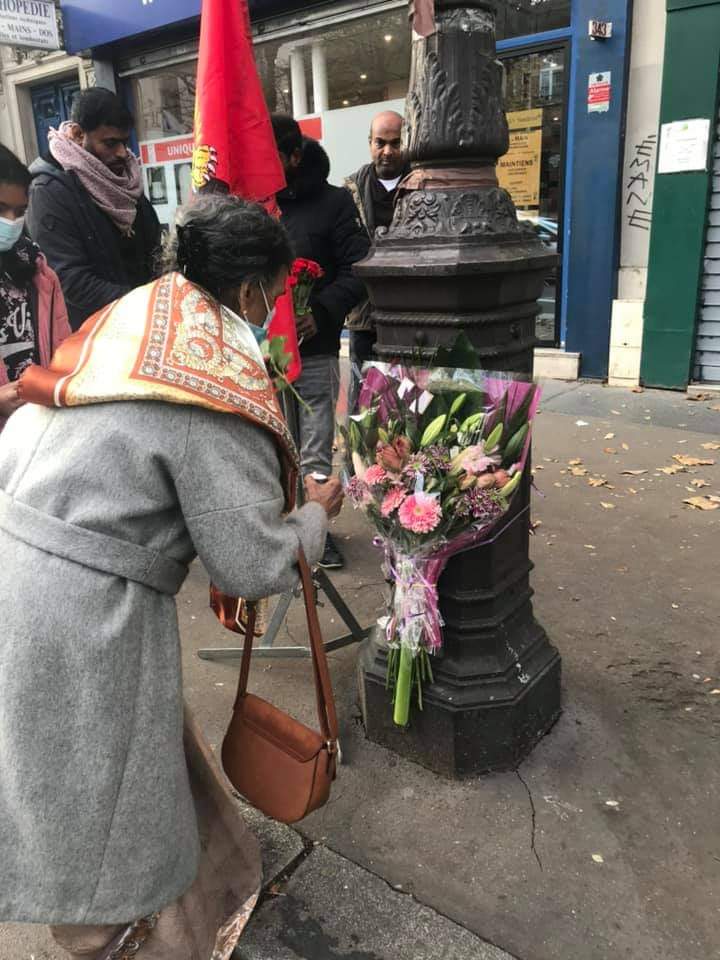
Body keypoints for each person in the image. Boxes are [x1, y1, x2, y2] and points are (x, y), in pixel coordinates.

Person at [0, 195, 343, 960]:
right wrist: (314, 516)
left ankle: (199, 889)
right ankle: (123, 937)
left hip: (17, 558)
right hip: (79, 611)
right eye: (276, 295)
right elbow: (252, 562)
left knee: (99, 762)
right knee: (98, 809)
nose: (277, 313)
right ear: (251, 292)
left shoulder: (135, 319)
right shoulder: (209, 381)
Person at [271, 114, 370, 570]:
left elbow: (360, 269)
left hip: (314, 349)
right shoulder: (256, 205)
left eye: (271, 156)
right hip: (264, 355)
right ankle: (281, 532)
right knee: (274, 446)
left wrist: (322, 312)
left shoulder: (334, 203)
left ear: (294, 156)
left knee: (313, 448)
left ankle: (315, 531)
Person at [26, 86, 161, 331]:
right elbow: (70, 280)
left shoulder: (125, 180)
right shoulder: (48, 190)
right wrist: (146, 302)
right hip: (93, 334)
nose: (122, 153)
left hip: (143, 322)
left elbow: (153, 247)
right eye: (110, 143)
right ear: (78, 134)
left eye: (124, 142)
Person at [0, 143, 70, 430]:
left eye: (19, 211)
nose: (10, 222)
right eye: (1, 209)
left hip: (37, 431)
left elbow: (63, 351)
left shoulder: (39, 274)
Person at [345, 110, 409, 412]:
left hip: (409, 312)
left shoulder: (422, 185)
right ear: (370, 143)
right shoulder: (350, 191)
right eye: (380, 142)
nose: (387, 151)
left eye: (395, 143)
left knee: (408, 397)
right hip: (364, 314)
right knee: (363, 398)